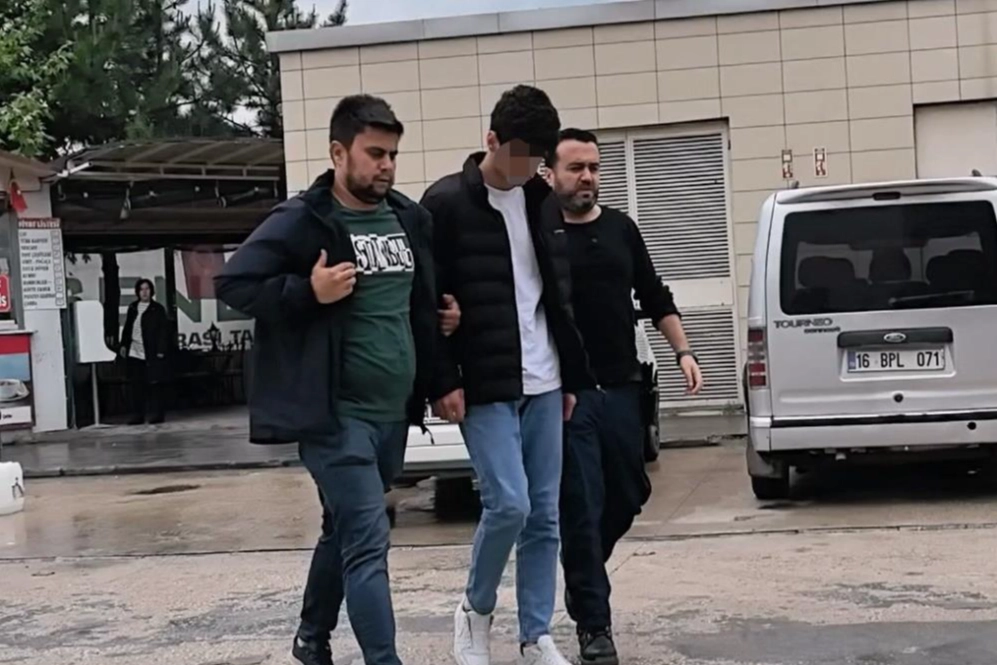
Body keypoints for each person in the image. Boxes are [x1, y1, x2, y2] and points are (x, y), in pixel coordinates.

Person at [214, 94, 459, 665]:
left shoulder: (407, 218)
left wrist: (444, 336)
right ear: (338, 152)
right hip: (334, 415)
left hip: (392, 414)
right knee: (369, 537)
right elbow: (234, 284)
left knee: (342, 528)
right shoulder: (305, 218)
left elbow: (416, 305)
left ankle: (311, 636)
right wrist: (307, 292)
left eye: (392, 154)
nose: (386, 166)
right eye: (374, 154)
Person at [420, 85, 595, 665]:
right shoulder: (445, 204)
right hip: (485, 380)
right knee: (510, 504)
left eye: (538, 159)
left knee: (544, 516)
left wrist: (571, 378)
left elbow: (557, 294)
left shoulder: (541, 199)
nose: (528, 169)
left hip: (546, 378)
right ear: (491, 140)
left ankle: (535, 636)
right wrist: (442, 380)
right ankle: (474, 611)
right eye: (520, 156)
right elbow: (426, 301)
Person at [545, 128, 704, 665]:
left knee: (629, 493)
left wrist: (684, 352)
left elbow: (654, 293)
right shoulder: (541, 236)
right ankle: (595, 627)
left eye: (593, 167)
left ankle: (582, 569)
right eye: (575, 168)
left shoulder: (621, 228)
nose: (587, 177)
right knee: (582, 506)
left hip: (622, 385)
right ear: (550, 174)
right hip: (569, 394)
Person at [119, 278, 171, 425]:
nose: (144, 292)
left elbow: (163, 331)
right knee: (136, 385)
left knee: (154, 384)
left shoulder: (157, 309)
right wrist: (123, 345)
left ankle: (157, 414)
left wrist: (161, 350)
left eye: (147, 289)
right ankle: (138, 415)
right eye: (141, 289)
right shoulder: (133, 307)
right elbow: (128, 328)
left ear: (151, 291)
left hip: (151, 352)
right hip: (135, 351)